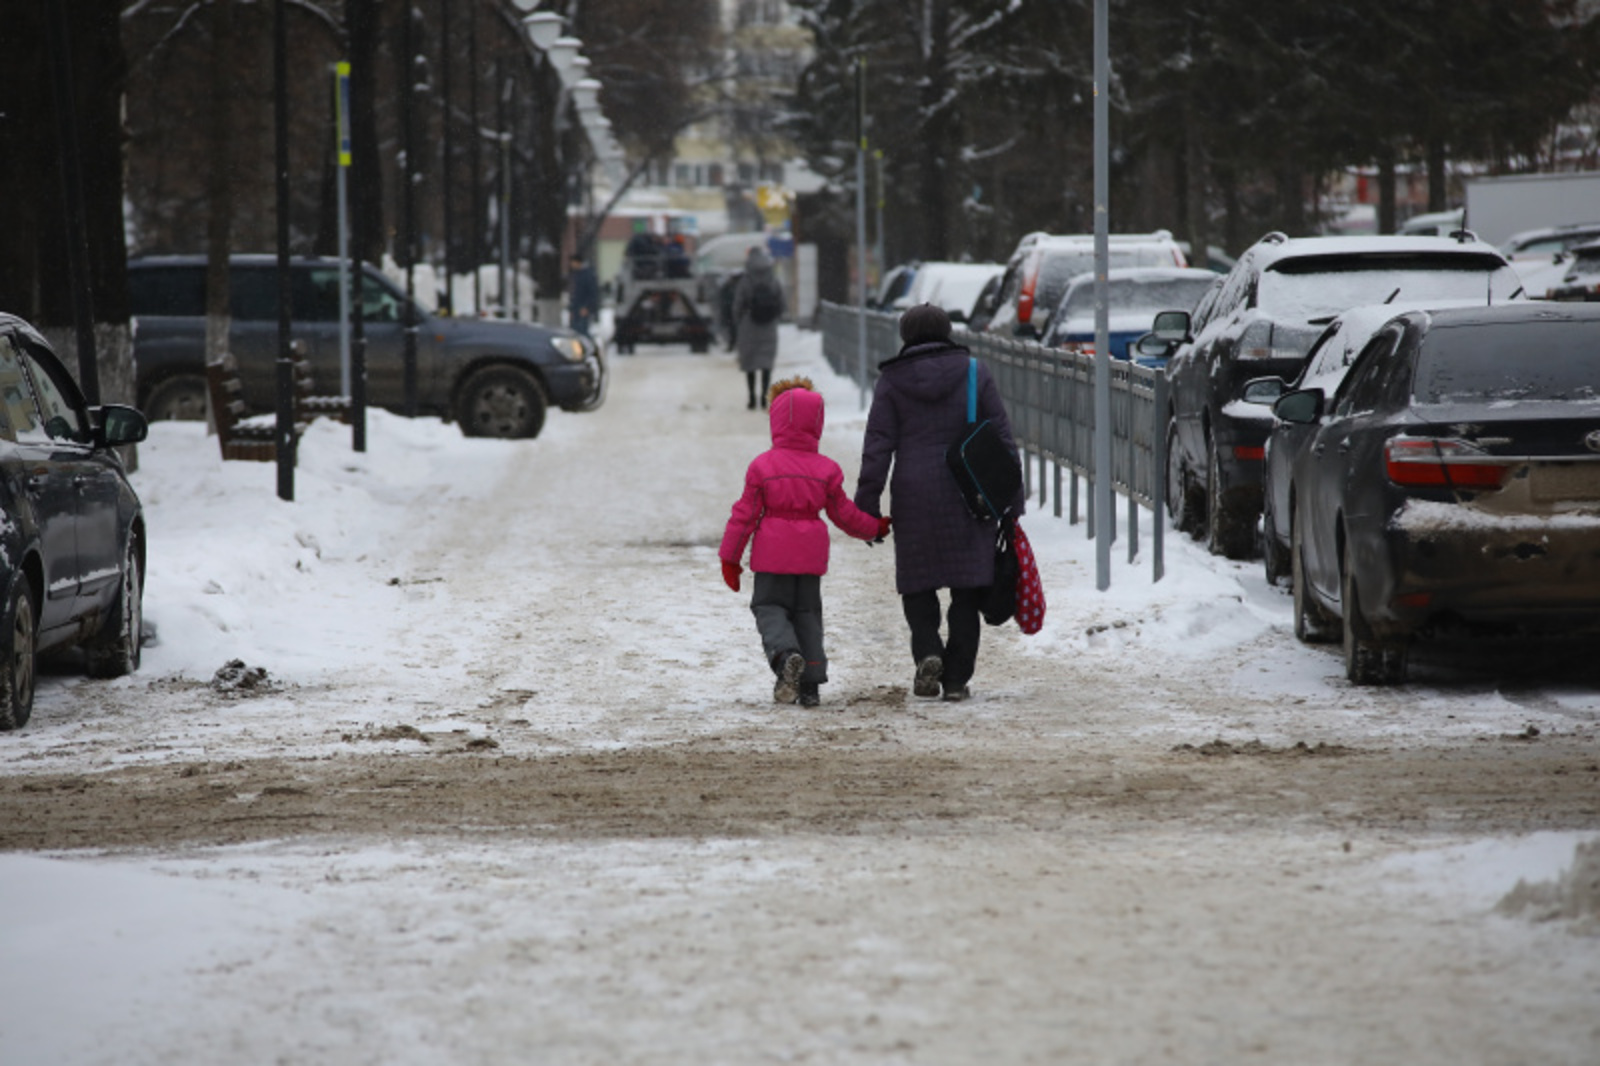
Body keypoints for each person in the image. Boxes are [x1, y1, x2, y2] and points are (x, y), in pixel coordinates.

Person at [854, 303, 1024, 702]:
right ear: (948, 331)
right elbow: (1001, 438)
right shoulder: (973, 373)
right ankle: (955, 679)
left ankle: (928, 651)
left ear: (905, 336)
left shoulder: (892, 381)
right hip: (969, 490)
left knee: (918, 584)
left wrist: (866, 506)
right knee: (967, 590)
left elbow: (877, 446)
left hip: (914, 493)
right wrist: (1012, 501)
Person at [720, 377, 891, 708]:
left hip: (772, 557)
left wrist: (731, 558)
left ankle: (786, 657)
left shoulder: (762, 466)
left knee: (769, 607)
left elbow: (744, 516)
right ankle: (810, 684)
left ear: (776, 420)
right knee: (808, 614)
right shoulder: (826, 469)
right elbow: (845, 515)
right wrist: (874, 528)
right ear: (817, 423)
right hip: (810, 558)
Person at [733, 246, 785, 409]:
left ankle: (752, 399)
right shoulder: (773, 279)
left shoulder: (745, 280)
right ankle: (764, 398)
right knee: (766, 363)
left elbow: (737, 304)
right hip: (769, 325)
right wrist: (776, 316)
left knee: (750, 363)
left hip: (749, 325)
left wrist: (738, 321)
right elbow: (782, 302)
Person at [567, 253, 600, 338]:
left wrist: (587, 307)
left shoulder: (587, 275)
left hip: (583, 309)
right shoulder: (576, 274)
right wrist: (571, 309)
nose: (572, 265)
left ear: (578, 262)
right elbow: (574, 294)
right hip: (576, 309)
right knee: (574, 333)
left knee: (582, 333)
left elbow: (592, 292)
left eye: (573, 262)